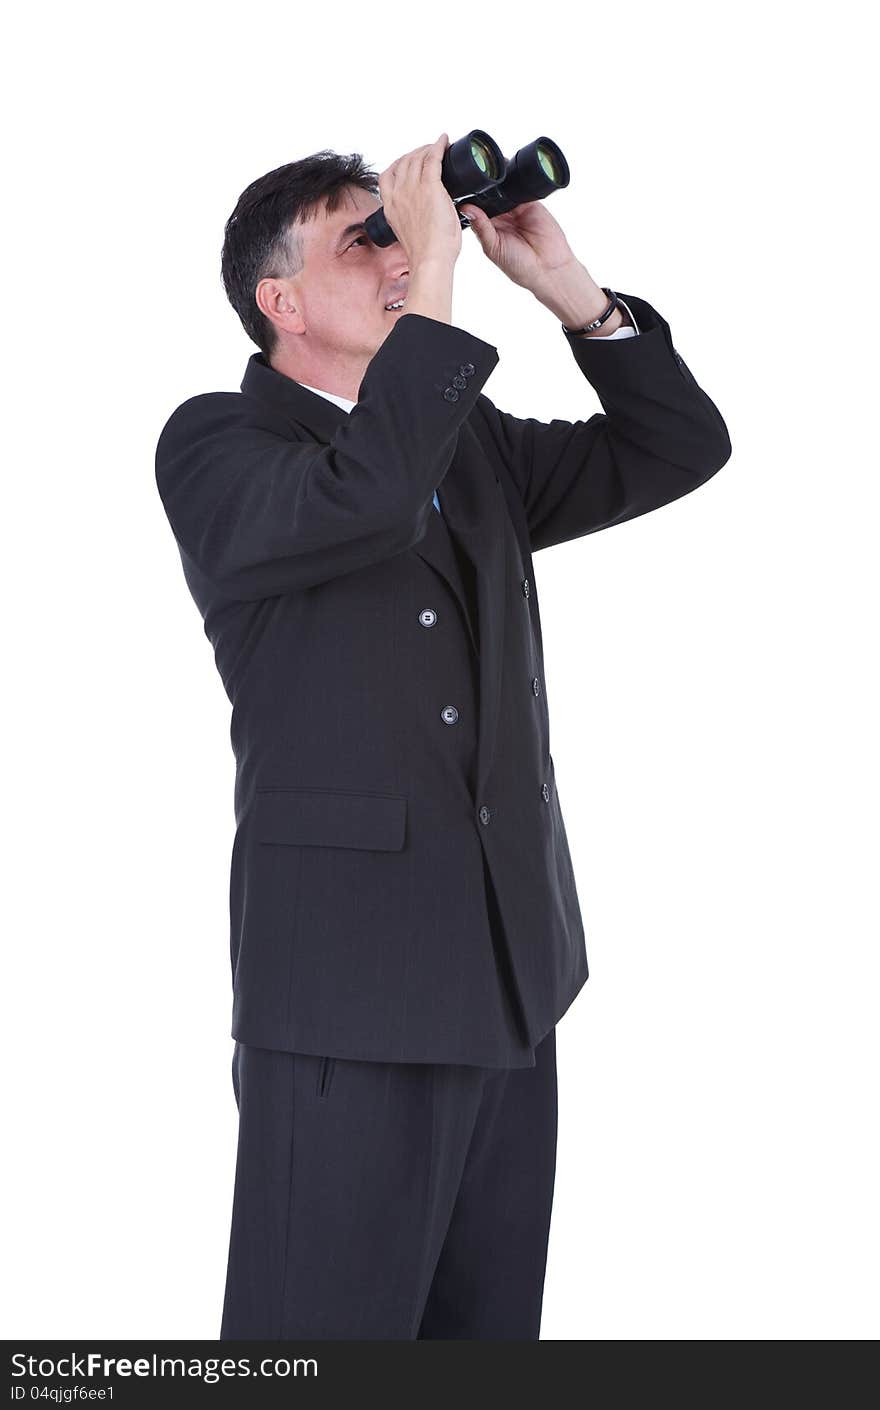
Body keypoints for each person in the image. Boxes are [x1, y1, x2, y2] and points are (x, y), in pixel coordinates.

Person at [154, 133, 731, 1340]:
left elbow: (677, 448)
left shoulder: (466, 445)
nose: (399, 255)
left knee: (482, 1340)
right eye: (363, 240)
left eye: (398, 228)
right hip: (344, 1000)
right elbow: (360, 500)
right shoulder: (218, 445)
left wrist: (568, 290)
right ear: (281, 302)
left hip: (509, 978)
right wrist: (440, 295)